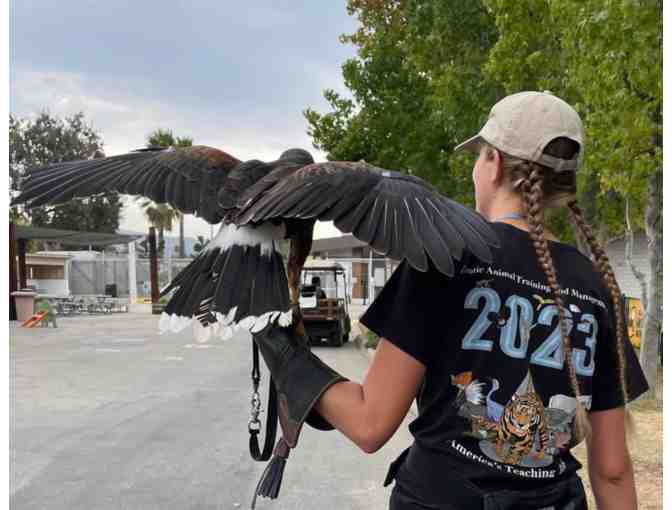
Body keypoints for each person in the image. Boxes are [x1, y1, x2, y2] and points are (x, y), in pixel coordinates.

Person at [253, 91, 648, 509]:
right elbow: (613, 471)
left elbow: (369, 423)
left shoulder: (444, 253)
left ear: (493, 164)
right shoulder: (597, 286)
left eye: (478, 156)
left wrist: (286, 355)